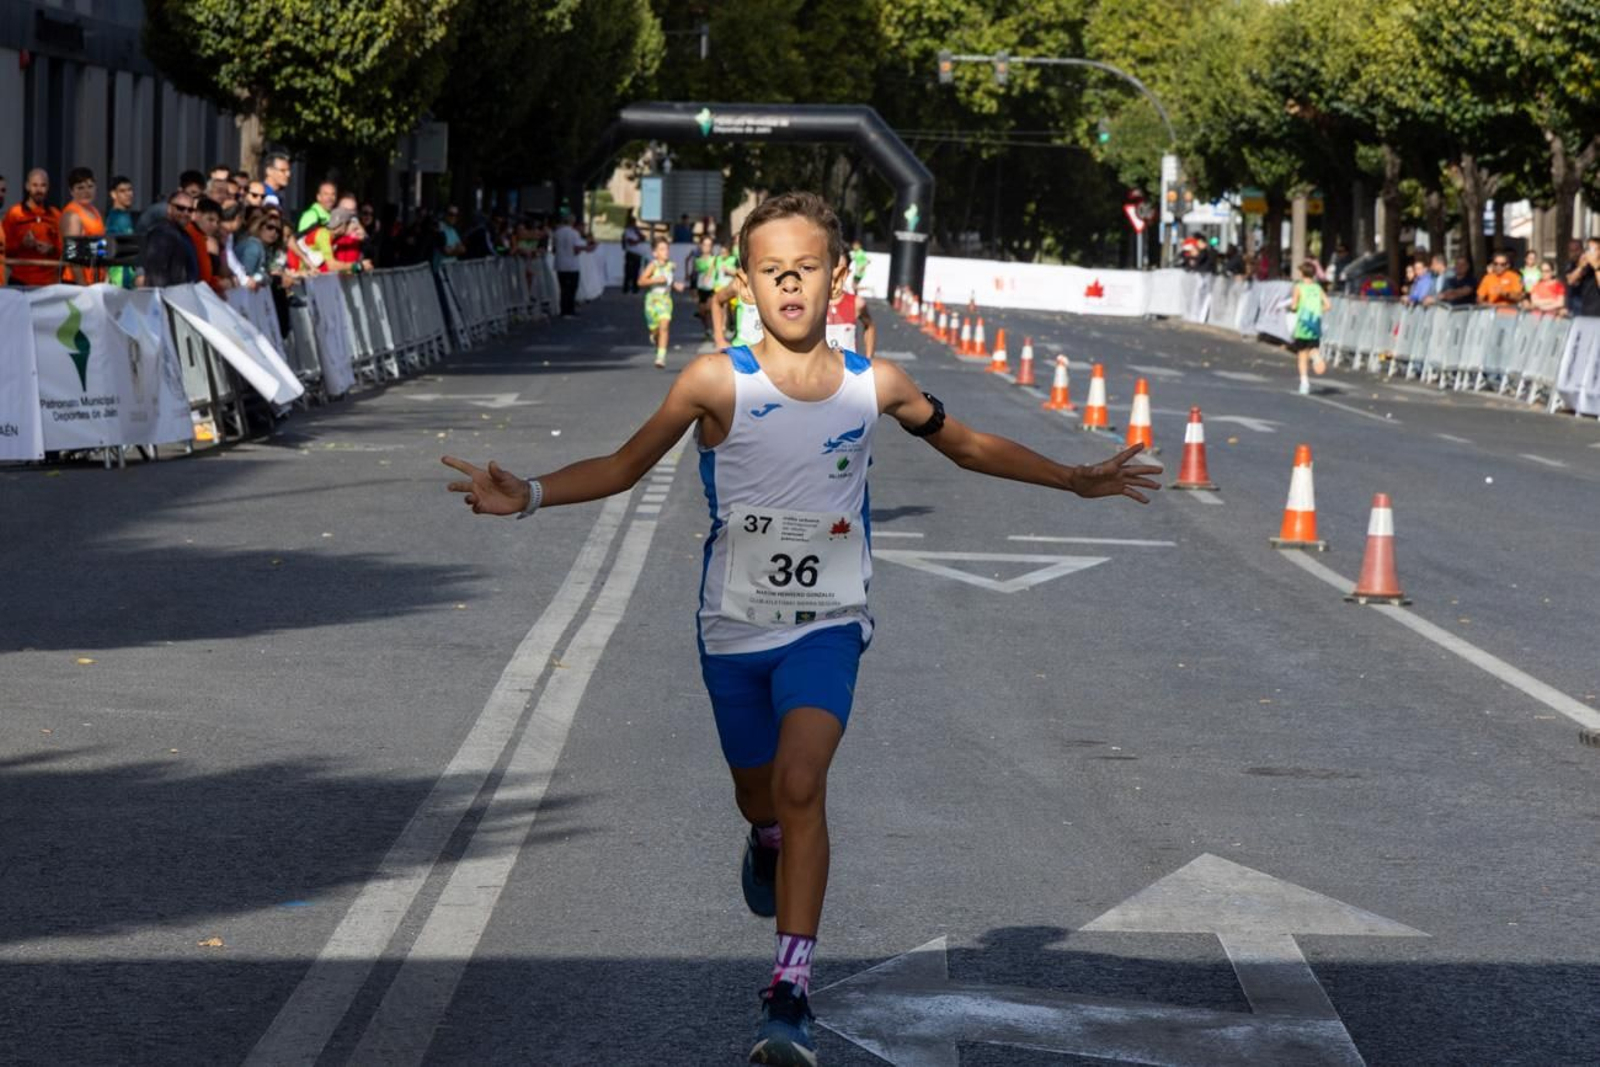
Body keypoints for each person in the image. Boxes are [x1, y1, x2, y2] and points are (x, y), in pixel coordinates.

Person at [440, 191, 1160, 1067]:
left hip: (829, 623)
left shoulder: (874, 384)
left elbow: (967, 445)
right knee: (762, 798)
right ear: (744, 281)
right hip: (732, 630)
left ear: (837, 276)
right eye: (772, 269)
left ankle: (789, 994)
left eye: (807, 267)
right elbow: (625, 466)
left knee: (802, 780)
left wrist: (1073, 478)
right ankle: (765, 838)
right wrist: (530, 494)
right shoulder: (714, 381)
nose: (790, 282)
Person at [3, 169, 61, 286]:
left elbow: (62, 249)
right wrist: (21, 244)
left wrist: (51, 249)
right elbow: (4, 248)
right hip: (20, 280)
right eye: (35, 185)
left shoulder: (56, 215)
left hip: (49, 282)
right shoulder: (14, 213)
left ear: (48, 187)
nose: (39, 190)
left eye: (43, 185)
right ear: (27, 186)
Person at [639, 237, 686, 368]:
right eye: (662, 249)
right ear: (655, 253)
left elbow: (669, 281)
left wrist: (676, 285)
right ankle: (654, 335)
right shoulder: (653, 265)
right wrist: (655, 280)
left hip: (665, 301)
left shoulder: (670, 266)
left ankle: (660, 358)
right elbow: (641, 281)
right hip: (652, 301)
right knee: (656, 329)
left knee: (664, 326)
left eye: (666, 249)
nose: (665, 252)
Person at [140, 191, 200, 288]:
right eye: (180, 208)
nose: (186, 213)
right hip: (169, 294)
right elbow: (157, 274)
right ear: (169, 208)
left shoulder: (184, 234)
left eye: (190, 210)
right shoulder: (162, 233)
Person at [59, 167, 107, 285]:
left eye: (90, 186)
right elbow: (72, 255)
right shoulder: (72, 215)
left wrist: (106, 276)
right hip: (76, 282)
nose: (86, 192)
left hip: (96, 279)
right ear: (71, 191)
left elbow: (102, 246)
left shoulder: (96, 212)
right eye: (80, 188)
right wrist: (83, 285)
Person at [1289, 260, 1328, 395]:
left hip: (1303, 323)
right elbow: (1328, 305)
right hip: (1315, 323)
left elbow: (1294, 305)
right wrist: (1317, 311)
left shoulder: (1299, 287)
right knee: (1313, 347)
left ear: (1302, 273)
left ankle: (1304, 383)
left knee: (1302, 354)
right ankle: (1315, 355)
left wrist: (1292, 309)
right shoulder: (1317, 288)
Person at [551, 211, 592, 317]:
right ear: (572, 222)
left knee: (563, 288)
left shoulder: (557, 232)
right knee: (572, 288)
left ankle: (563, 309)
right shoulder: (574, 233)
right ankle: (570, 309)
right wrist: (587, 248)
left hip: (560, 263)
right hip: (572, 264)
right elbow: (576, 248)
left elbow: (554, 249)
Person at [104, 175, 137, 289]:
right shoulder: (117, 218)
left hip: (126, 274)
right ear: (113, 194)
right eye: (122, 191)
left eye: (130, 190)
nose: (128, 194)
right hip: (119, 277)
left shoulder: (124, 215)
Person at [1565, 237, 1600, 318]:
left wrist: (1596, 267)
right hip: (1586, 310)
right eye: (1587, 249)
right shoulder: (1584, 265)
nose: (1588, 253)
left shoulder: (1595, 266)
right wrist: (1580, 267)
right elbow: (1570, 281)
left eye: (1591, 250)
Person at [622, 213, 648, 294]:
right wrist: (639, 240)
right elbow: (631, 242)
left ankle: (635, 287)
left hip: (638, 254)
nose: (634, 224)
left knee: (636, 271)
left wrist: (638, 233)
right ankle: (626, 288)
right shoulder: (627, 231)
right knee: (629, 272)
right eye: (633, 223)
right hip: (631, 253)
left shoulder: (636, 231)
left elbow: (644, 237)